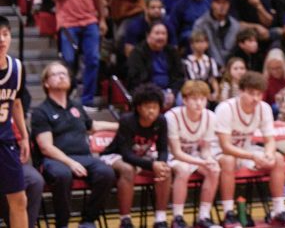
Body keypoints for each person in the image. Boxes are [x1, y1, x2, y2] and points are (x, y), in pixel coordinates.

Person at [32, 61, 118, 228]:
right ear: (46, 83)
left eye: (64, 73)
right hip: (55, 160)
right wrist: (70, 163)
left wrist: (120, 126)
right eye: (56, 74)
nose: (62, 76)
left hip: (83, 157)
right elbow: (46, 147)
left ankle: (87, 220)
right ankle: (62, 223)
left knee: (106, 173)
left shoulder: (76, 106)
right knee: (63, 175)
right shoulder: (41, 111)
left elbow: (92, 126)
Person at [214, 71, 285, 228]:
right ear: (240, 91)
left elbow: (270, 140)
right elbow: (225, 146)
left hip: (245, 150)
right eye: (251, 94)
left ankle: (279, 211)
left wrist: (268, 154)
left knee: (277, 158)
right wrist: (253, 157)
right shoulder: (225, 108)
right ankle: (229, 214)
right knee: (229, 161)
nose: (255, 98)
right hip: (218, 152)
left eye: (259, 94)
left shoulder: (264, 108)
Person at [102, 83, 171, 228]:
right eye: (148, 107)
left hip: (139, 158)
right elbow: (126, 154)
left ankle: (160, 219)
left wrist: (161, 164)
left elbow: (163, 149)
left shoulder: (161, 121)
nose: (152, 111)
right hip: (115, 156)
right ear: (139, 107)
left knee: (166, 170)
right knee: (128, 169)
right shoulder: (127, 120)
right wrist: (153, 165)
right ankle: (125, 220)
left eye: (155, 107)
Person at [47, 0, 105, 107]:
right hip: (67, 22)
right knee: (68, 61)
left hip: (89, 20)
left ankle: (87, 100)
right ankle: (66, 98)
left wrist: (102, 19)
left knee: (93, 59)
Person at [166, 80, 220, 228]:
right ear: (184, 100)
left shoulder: (210, 117)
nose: (199, 103)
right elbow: (176, 152)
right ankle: (177, 218)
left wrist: (209, 159)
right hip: (170, 156)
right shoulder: (172, 116)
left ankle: (204, 216)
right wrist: (201, 162)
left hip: (194, 157)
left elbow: (205, 149)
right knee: (183, 170)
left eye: (202, 99)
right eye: (194, 99)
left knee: (214, 170)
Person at [0, 16, 28, 228]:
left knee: (19, 200)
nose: (1, 39)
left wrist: (25, 136)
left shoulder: (17, 68)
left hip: (6, 142)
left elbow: (16, 103)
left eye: (5, 34)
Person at [125, 21, 185, 96]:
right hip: (148, 92)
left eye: (164, 34)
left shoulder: (172, 52)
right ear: (148, 35)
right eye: (157, 33)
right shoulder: (137, 53)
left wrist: (172, 92)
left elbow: (179, 76)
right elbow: (136, 80)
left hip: (171, 91)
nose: (161, 37)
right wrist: (156, 92)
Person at [193, 0, 240, 67]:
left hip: (230, 67)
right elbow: (196, 47)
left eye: (225, 3)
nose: (222, 6)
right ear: (212, 5)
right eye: (218, 3)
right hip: (207, 65)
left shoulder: (235, 25)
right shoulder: (201, 24)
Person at [182, 28, 221, 94]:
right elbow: (191, 81)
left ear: (207, 44)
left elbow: (213, 80)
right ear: (192, 45)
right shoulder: (187, 62)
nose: (200, 45)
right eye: (197, 42)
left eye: (203, 42)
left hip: (208, 90)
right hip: (192, 90)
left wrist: (216, 93)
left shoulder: (210, 61)